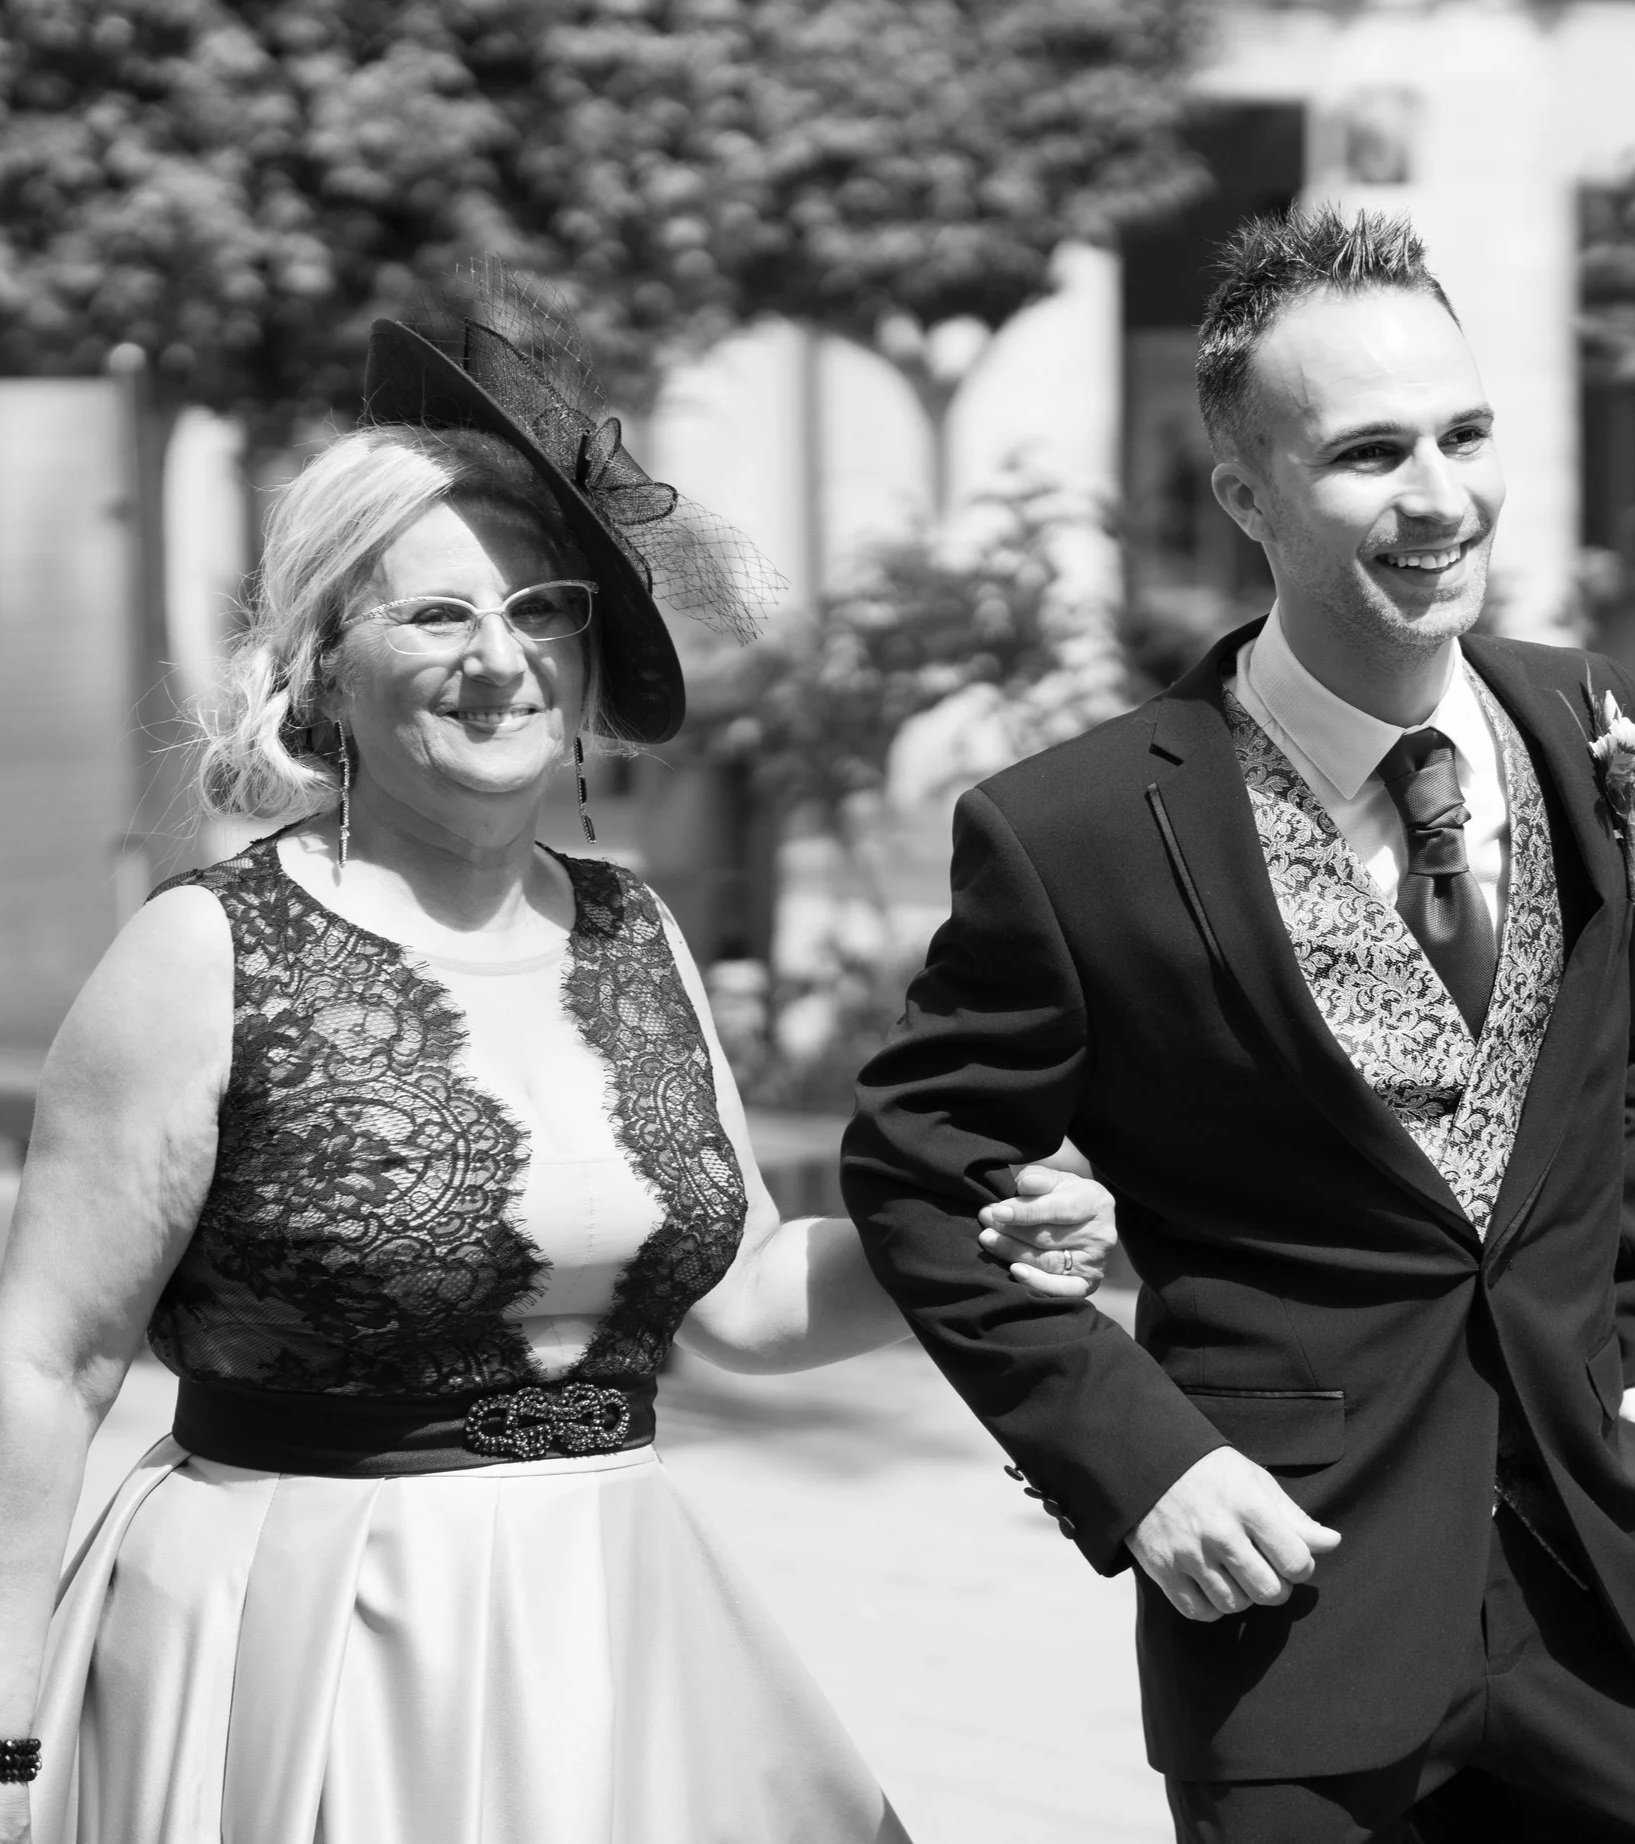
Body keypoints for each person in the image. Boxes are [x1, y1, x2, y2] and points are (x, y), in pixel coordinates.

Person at [0, 263, 1120, 1844]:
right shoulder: (202, 952)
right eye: (437, 612)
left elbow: (739, 1301)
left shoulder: (633, 929)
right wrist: (4, 1733)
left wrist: (968, 1239)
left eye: (541, 609)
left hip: (609, 1617)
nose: (502, 657)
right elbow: (44, 1365)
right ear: (323, 663)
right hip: (298, 1630)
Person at [843, 205, 1635, 1844]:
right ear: (1246, 495)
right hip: (1291, 1603)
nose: (1440, 497)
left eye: (1467, 434)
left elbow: (1625, 1075)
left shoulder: (1584, 717)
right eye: (1371, 453)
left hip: (1595, 1595)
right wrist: (1140, 1464)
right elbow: (918, 1170)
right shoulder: (1076, 831)